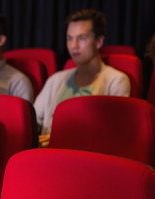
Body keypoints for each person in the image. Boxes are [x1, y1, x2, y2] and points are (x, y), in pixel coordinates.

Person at [34, 8, 130, 145]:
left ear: (99, 41)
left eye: (81, 38)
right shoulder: (56, 80)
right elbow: (34, 120)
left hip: (88, 157)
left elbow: (114, 134)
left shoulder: (116, 81)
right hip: (48, 153)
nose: (74, 46)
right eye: (69, 38)